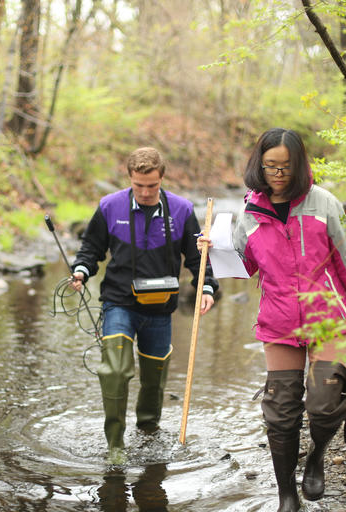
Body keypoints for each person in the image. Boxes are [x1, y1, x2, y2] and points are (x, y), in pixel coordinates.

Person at [198, 128, 346, 511]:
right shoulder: (250, 211)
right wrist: (213, 250)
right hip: (278, 319)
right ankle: (286, 495)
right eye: (270, 166)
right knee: (280, 411)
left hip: (327, 314)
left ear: (299, 164)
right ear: (259, 166)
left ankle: (315, 457)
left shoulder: (323, 203)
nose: (278, 173)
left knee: (325, 403)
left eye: (286, 166)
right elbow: (244, 265)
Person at [70, 146, 219, 460]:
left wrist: (206, 285)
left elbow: (197, 258)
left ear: (162, 178)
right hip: (118, 302)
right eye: (139, 186)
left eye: (152, 185)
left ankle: (148, 432)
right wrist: (82, 270)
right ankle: (115, 446)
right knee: (114, 370)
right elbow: (91, 248)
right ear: (130, 179)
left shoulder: (180, 210)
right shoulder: (110, 206)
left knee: (154, 380)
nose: (146, 192)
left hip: (160, 308)